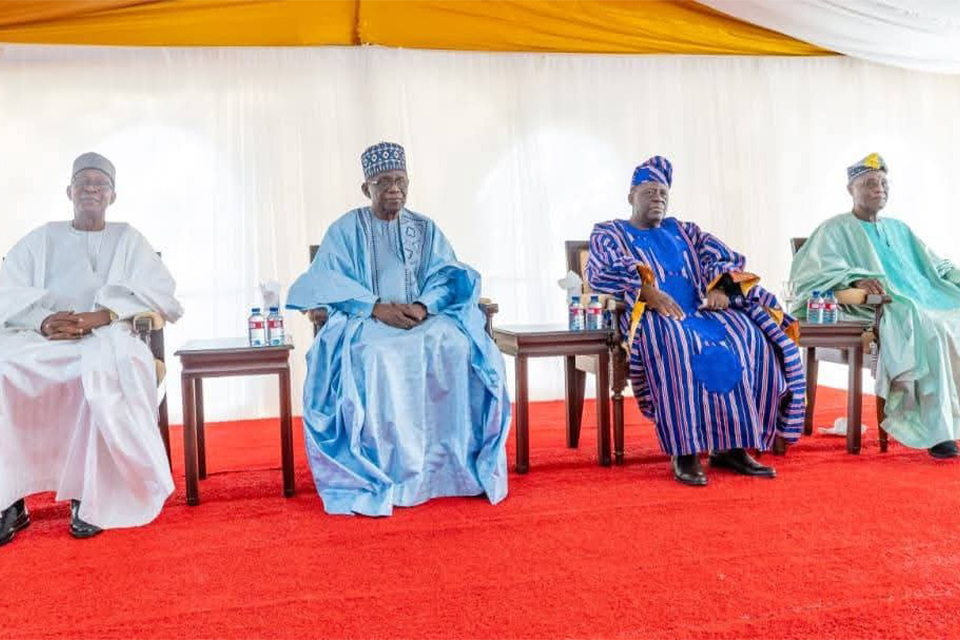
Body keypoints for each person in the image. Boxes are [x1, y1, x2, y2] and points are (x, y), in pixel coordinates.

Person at [287, 142, 511, 516]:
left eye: (401, 181)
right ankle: (387, 469)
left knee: (456, 346)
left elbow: (445, 274)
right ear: (367, 189)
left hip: (424, 319)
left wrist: (424, 305)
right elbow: (323, 280)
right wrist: (374, 307)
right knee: (375, 356)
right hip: (367, 322)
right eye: (385, 182)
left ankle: (448, 469)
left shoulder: (425, 228)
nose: (395, 189)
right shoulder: (344, 230)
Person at [586, 156, 805, 485]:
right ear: (631, 196)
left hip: (700, 311)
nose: (658, 197)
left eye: (663, 192)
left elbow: (721, 257)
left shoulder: (685, 231)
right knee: (678, 343)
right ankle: (684, 451)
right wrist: (647, 291)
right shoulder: (610, 232)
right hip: (649, 314)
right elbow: (602, 270)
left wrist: (721, 288)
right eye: (649, 192)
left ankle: (731, 447)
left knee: (751, 336)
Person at [0, 152, 183, 545]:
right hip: (44, 338)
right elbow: (7, 287)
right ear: (69, 191)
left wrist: (98, 317)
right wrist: (42, 321)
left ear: (112, 196)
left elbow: (161, 294)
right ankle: (9, 499)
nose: (91, 190)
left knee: (99, 374)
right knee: (5, 370)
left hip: (109, 335)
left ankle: (90, 494)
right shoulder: (42, 238)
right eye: (83, 183)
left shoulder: (129, 238)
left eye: (100, 184)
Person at [790, 153, 960, 458]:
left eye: (883, 182)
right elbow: (811, 274)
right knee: (928, 326)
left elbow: (936, 265)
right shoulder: (834, 229)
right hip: (883, 308)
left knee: (952, 318)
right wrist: (854, 282)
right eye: (870, 183)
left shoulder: (899, 228)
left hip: (926, 299)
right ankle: (939, 431)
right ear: (850, 189)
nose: (879, 188)